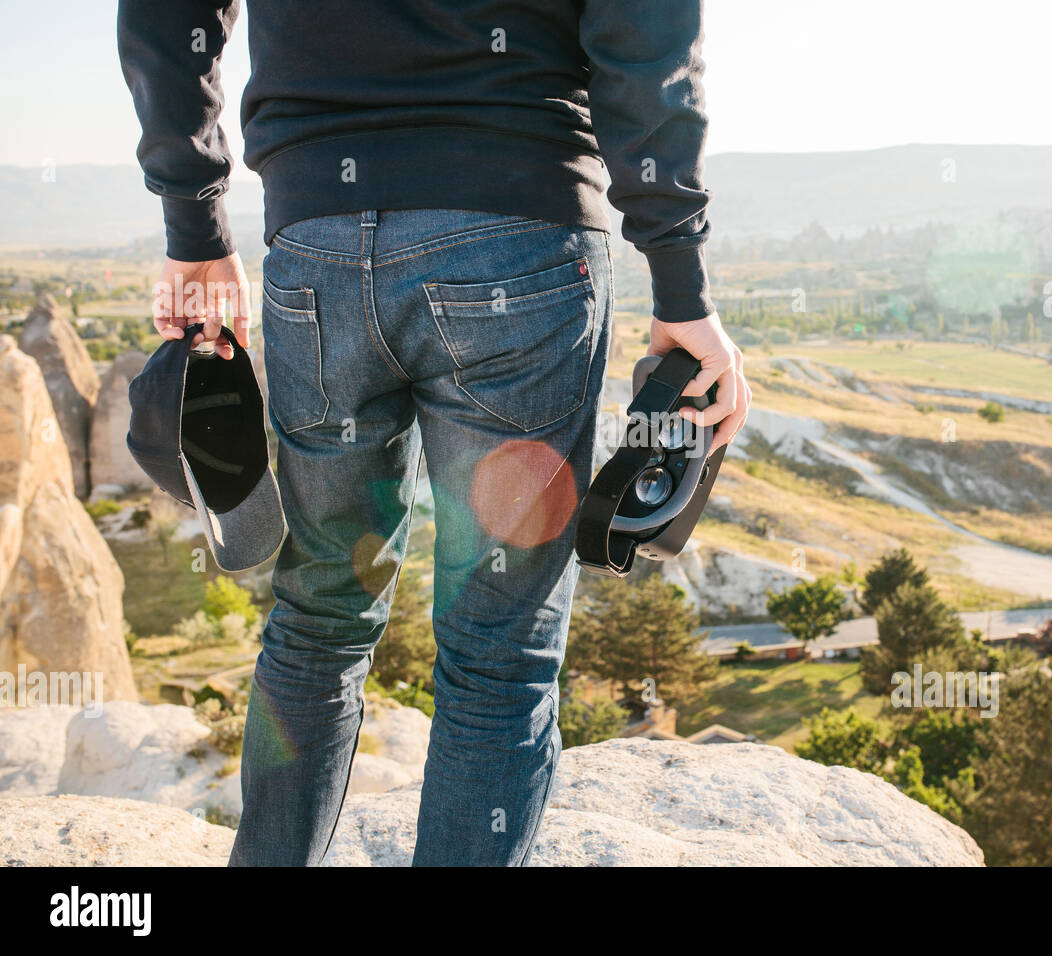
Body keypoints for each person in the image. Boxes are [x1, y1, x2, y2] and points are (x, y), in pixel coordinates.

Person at [117, 0, 750, 866]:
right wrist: (681, 282)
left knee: (318, 617)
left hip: (317, 240)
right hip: (521, 236)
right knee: (498, 649)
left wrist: (193, 224)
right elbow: (646, 31)